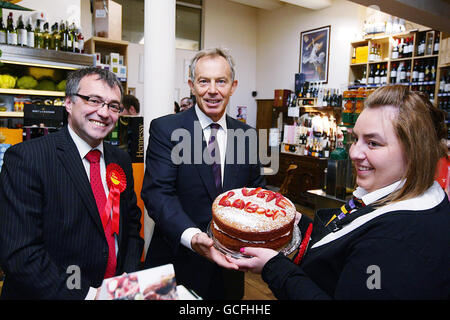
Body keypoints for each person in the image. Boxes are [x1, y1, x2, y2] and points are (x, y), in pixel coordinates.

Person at [230, 85, 450, 299]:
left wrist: (274, 267)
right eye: (356, 139)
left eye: (372, 143)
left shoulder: (395, 241)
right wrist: (302, 225)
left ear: (414, 152)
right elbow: (343, 246)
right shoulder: (395, 195)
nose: (354, 152)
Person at [0, 67, 144, 299]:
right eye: (94, 100)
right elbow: (20, 254)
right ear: (68, 102)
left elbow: (131, 229)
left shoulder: (121, 159)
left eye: (113, 106)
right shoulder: (27, 158)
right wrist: (88, 295)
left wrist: (125, 282)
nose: (104, 113)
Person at [141, 47, 265, 299]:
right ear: (191, 85)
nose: (212, 90)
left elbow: (256, 193)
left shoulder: (248, 136)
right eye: (203, 81)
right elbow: (158, 193)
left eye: (221, 81)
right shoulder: (166, 129)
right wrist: (193, 236)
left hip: (229, 270)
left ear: (233, 86)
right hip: (177, 262)